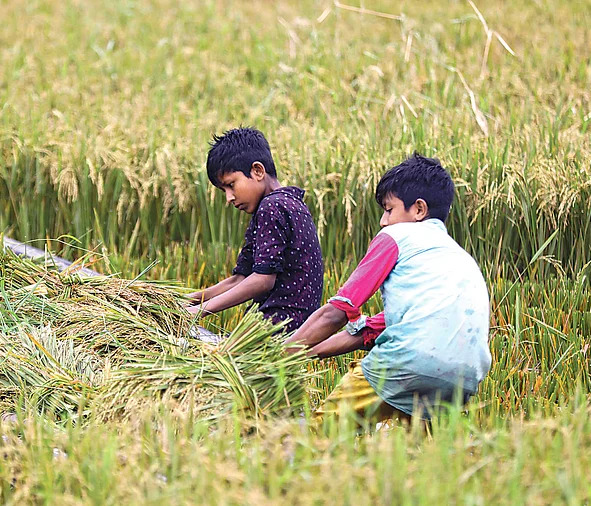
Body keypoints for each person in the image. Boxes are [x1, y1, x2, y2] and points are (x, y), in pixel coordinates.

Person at [286, 153, 492, 422]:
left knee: (319, 433)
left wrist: (280, 356)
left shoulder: (396, 236)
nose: (383, 221)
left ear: (418, 209)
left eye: (389, 209)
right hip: (464, 377)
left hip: (407, 362)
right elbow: (367, 332)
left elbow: (337, 312)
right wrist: (307, 351)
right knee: (423, 455)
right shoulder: (458, 259)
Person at [186, 127, 324, 334]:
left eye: (231, 185)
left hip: (276, 333)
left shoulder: (272, 207)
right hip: (294, 332)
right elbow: (241, 278)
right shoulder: (291, 204)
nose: (229, 198)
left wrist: (199, 311)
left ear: (258, 171)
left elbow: (262, 280)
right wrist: (187, 300)